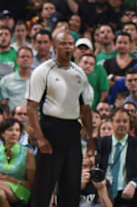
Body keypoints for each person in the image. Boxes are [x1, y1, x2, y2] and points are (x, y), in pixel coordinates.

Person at [26, 31, 95, 207]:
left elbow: (86, 109)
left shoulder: (79, 73)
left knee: (71, 185)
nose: (67, 47)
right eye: (63, 44)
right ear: (54, 46)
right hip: (50, 128)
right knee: (44, 186)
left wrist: (91, 139)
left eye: (70, 44)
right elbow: (31, 107)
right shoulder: (43, 71)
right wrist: (40, 137)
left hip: (72, 130)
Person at [95, 107, 137, 206]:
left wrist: (134, 183)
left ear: (129, 124)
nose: (122, 124)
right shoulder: (102, 143)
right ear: (112, 122)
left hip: (128, 194)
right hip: (103, 190)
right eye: (118, 121)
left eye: (125, 121)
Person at [0, 118, 35, 206]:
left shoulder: (27, 153)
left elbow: (32, 184)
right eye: (10, 130)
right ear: (3, 133)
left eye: (17, 130)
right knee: (1, 194)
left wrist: (11, 179)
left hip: (21, 188)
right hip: (2, 188)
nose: (14, 133)